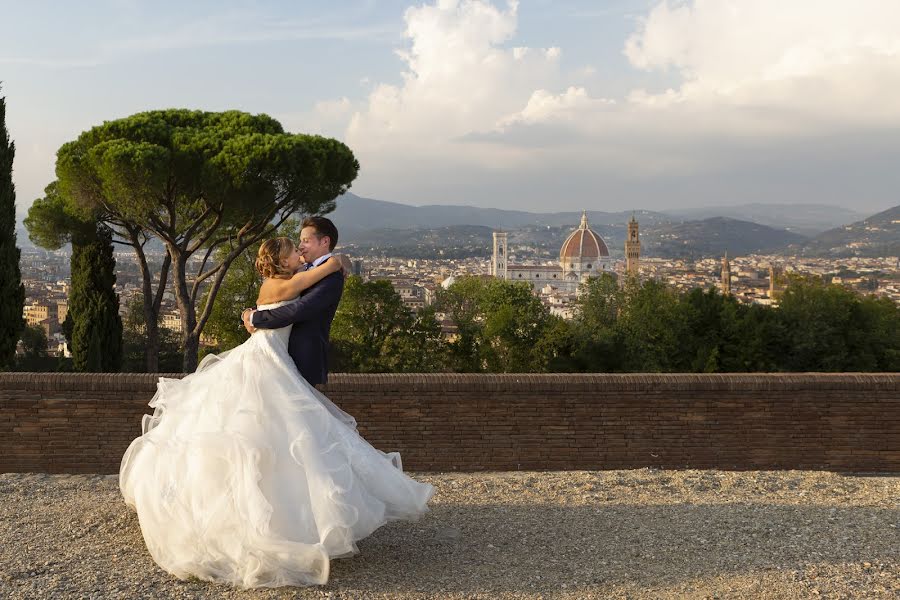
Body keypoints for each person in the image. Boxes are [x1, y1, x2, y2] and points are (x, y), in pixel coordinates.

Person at [119, 234, 434, 589]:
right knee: (281, 437)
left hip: (270, 358)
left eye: (301, 247)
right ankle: (278, 528)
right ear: (282, 262)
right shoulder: (285, 283)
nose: (299, 252)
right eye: (292, 250)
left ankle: (289, 520)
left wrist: (255, 312)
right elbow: (319, 278)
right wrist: (338, 260)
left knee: (277, 440)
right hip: (266, 363)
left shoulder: (277, 281)